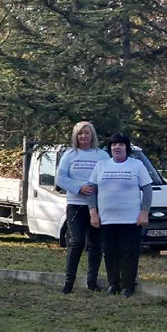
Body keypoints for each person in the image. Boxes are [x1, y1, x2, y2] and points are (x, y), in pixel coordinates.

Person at [88, 133, 151, 297]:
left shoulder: (137, 165)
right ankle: (113, 284)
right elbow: (91, 190)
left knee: (129, 253)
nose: (117, 147)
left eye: (121, 144)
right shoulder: (101, 165)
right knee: (110, 253)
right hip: (107, 220)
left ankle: (128, 286)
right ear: (110, 148)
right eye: (114, 144)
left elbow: (147, 189)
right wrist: (93, 212)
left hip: (131, 220)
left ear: (126, 148)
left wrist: (144, 212)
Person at [55, 121, 110, 294]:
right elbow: (60, 178)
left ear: (92, 135)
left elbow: (107, 177)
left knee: (95, 244)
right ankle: (68, 282)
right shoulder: (69, 155)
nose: (83, 136)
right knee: (76, 242)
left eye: (86, 133)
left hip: (97, 206)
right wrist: (80, 187)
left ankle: (92, 282)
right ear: (75, 136)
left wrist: (95, 189)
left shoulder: (102, 155)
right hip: (76, 205)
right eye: (80, 133)